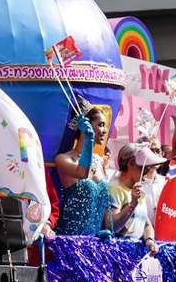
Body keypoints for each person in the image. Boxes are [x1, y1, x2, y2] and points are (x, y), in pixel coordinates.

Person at [53, 108, 115, 236]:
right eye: (100, 125)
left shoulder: (100, 161)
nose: (105, 130)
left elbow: (104, 207)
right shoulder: (63, 159)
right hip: (69, 241)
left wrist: (104, 231)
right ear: (85, 126)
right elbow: (82, 173)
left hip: (93, 244)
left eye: (105, 126)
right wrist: (88, 140)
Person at [107, 143, 164, 254]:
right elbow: (111, 225)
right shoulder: (115, 188)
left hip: (134, 254)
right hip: (117, 253)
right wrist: (132, 203)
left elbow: (146, 224)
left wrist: (149, 240)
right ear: (131, 163)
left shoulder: (138, 191)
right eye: (144, 167)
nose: (147, 170)